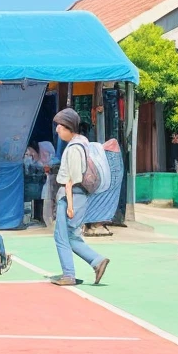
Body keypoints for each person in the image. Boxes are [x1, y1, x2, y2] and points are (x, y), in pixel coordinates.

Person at [49, 107, 109, 287]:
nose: (57, 129)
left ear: (68, 126)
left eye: (60, 125)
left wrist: (69, 205)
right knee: (72, 236)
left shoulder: (74, 148)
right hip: (77, 196)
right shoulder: (82, 142)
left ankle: (69, 275)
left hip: (71, 195)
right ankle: (97, 261)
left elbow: (72, 179)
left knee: (61, 237)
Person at [23, 146, 47, 224]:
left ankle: (34, 218)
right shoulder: (36, 164)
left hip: (33, 187)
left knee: (31, 202)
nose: (27, 157)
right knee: (28, 204)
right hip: (31, 188)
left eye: (28, 155)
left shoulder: (37, 165)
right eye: (25, 155)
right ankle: (28, 219)